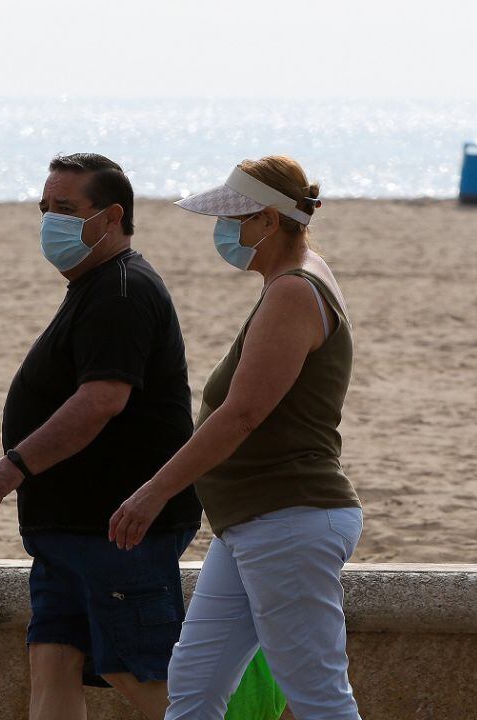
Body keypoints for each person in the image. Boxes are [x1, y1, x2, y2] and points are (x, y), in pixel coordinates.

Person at [108, 156, 364, 720]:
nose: (222, 232)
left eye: (234, 219)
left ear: (269, 221)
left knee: (318, 697)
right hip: (252, 522)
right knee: (194, 685)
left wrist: (154, 492)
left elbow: (240, 415)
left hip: (287, 518)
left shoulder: (294, 290)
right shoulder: (296, 276)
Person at [0, 153, 203, 720]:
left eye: (65, 209)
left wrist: (11, 467)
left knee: (135, 669)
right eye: (45, 209)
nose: (50, 221)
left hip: (115, 528)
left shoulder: (122, 291)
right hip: (66, 528)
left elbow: (101, 401)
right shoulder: (93, 286)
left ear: (111, 216)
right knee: (53, 663)